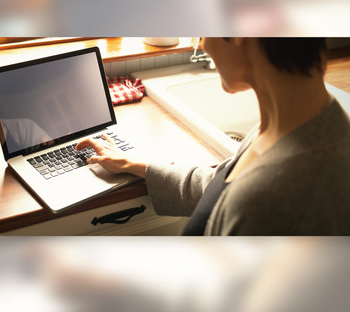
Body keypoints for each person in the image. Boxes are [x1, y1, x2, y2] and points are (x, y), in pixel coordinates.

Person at [76, 38, 350, 235]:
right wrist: (137, 166)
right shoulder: (296, 120)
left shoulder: (271, 199)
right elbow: (223, 187)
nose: (204, 45)